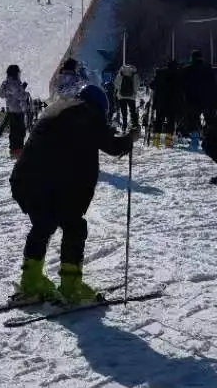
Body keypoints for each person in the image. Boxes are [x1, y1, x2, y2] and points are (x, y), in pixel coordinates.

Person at [10, 84, 135, 304]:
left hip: (24, 179)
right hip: (54, 184)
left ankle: (31, 282)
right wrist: (130, 138)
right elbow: (112, 145)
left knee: (43, 226)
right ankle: (70, 287)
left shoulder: (59, 107)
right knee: (74, 227)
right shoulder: (88, 112)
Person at [114, 62, 139, 130]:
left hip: (122, 96)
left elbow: (116, 84)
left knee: (123, 111)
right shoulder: (134, 73)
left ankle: (124, 125)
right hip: (132, 96)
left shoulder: (121, 73)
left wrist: (119, 90)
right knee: (132, 111)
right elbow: (136, 85)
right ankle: (134, 124)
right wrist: (134, 92)